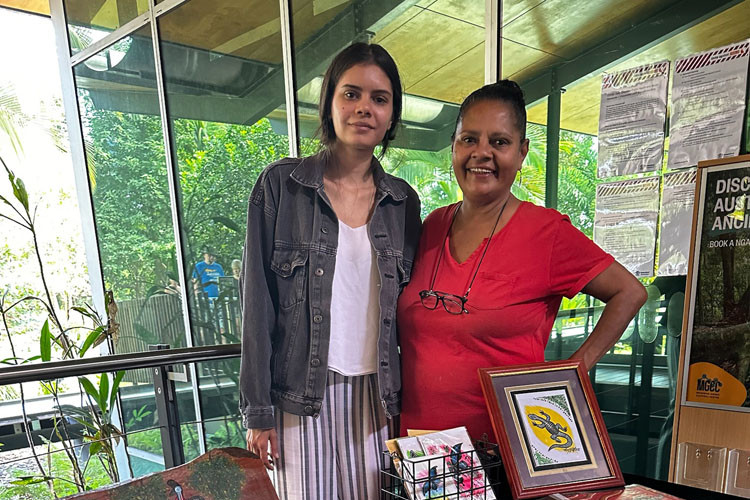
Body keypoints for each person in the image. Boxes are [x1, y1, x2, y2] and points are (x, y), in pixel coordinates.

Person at [397, 80, 647, 442]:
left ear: (522, 152)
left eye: (499, 142)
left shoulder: (547, 232)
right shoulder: (433, 224)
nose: (481, 153)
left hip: (503, 452)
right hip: (421, 454)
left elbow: (629, 292)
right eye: (469, 139)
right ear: (453, 145)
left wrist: (573, 368)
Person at [239, 42, 421, 500]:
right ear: (330, 103)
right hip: (299, 393)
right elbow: (256, 304)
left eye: (380, 99)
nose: (365, 108)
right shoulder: (281, 186)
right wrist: (258, 414)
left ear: (392, 114)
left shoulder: (403, 202)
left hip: (376, 395)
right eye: (351, 94)